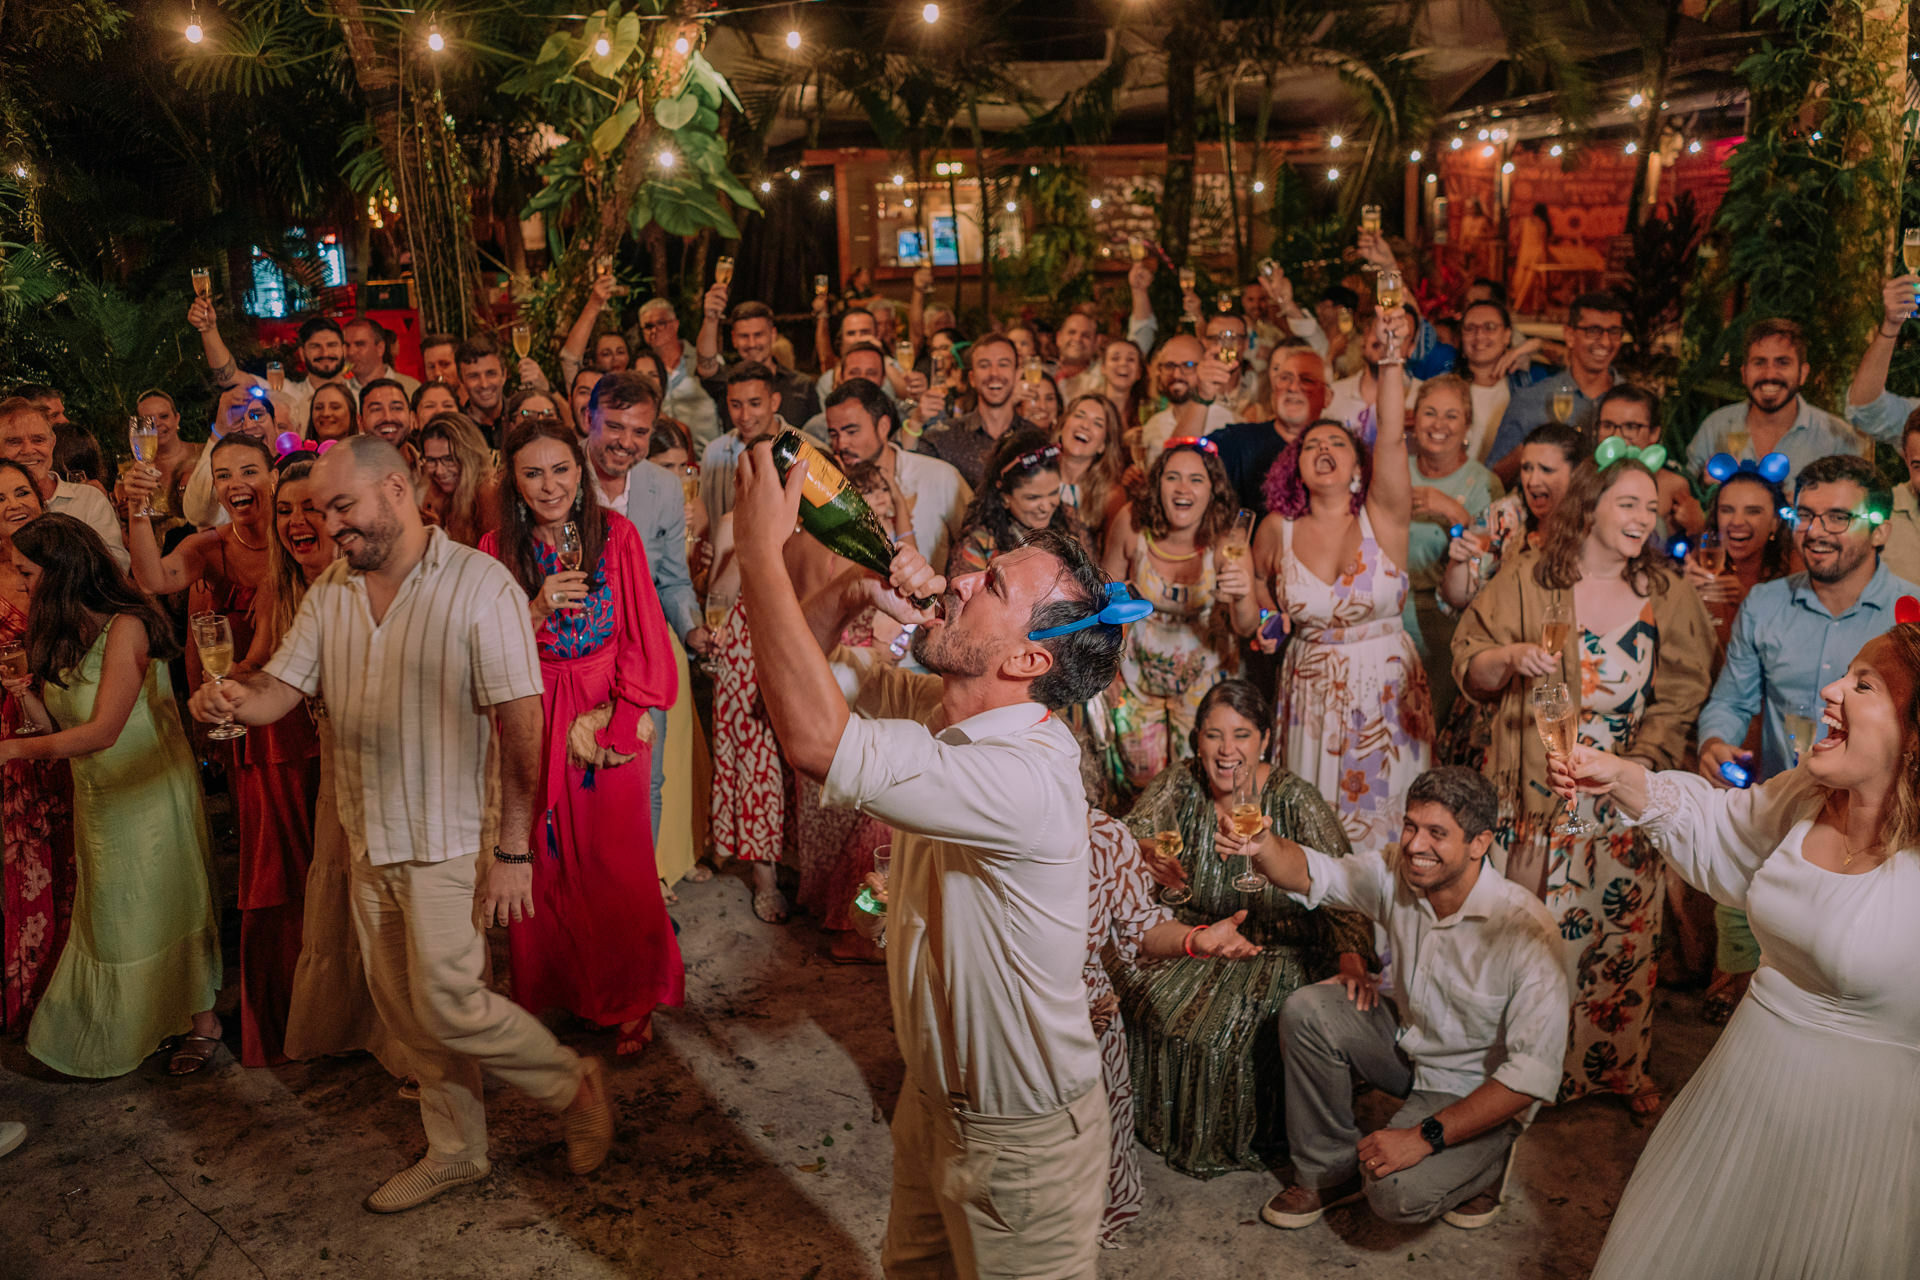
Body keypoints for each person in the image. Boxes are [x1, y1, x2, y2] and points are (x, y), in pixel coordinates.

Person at [733, 421, 1135, 1275]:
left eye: (986, 585)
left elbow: (815, 739)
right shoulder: (940, 706)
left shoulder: (1025, 775)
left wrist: (758, 551)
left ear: (1029, 656)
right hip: (932, 1105)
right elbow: (793, 687)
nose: (956, 578)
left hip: (1023, 1140)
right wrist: (846, 594)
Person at [187, 436, 613, 1213]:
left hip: (449, 838)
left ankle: (570, 1085)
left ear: (394, 491)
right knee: (408, 1011)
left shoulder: (480, 587)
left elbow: (523, 725)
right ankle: (457, 1151)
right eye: (320, 511)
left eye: (340, 507)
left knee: (450, 999)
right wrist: (228, 702)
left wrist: (512, 849)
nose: (328, 525)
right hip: (364, 835)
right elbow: (279, 690)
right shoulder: (331, 594)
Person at [1555, 622, 1920, 1279]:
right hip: (1736, 1107)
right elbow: (1717, 826)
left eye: (1863, 685)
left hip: (1859, 1148)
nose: (1830, 691)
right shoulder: (1807, 798)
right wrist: (1615, 775)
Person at [1452, 449, 1714, 1114]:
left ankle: (1617, 1070)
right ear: (1591, 506)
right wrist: (1508, 658)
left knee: (1620, 943)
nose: (1642, 518)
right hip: (1541, 795)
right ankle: (1519, 1080)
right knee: (1534, 945)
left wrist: (1643, 764)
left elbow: (1683, 690)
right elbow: (1469, 665)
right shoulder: (1526, 580)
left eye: (1651, 508)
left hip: (1622, 800)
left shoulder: (1667, 591)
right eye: (1628, 503)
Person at [1223, 767, 1569, 1231]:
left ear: (1479, 843)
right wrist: (1262, 846)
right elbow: (1311, 873)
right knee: (1308, 1011)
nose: (1414, 844)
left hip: (1474, 1090)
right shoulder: (1396, 871)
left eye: (1436, 833)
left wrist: (1423, 1137)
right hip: (1409, 1050)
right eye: (1411, 826)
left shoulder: (1527, 930)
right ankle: (1329, 1172)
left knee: (1391, 1194)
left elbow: (1529, 1077)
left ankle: (1488, 1160)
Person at [1691, 456, 1916, 1028]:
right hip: (1775, 818)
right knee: (1748, 1004)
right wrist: (1714, 740)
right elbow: (1730, 699)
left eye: (1839, 517)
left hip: (1875, 840)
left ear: (1881, 528)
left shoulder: (1909, 616)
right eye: (1806, 515)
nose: (1816, 531)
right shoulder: (1765, 604)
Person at [1114, 679, 1371, 1179]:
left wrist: (1351, 959)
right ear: (1198, 742)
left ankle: (1245, 1135)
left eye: (1242, 735)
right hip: (1196, 933)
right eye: (1213, 735)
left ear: (1266, 740)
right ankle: (1149, 1123)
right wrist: (1146, 859)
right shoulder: (1178, 782)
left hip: (1278, 948)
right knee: (1130, 986)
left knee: (1215, 1033)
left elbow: (1345, 888)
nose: (1227, 750)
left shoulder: (1295, 799)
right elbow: (1132, 837)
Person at [484, 419, 685, 1057]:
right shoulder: (495, 548)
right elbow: (482, 648)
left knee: (616, 863)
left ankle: (630, 997)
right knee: (545, 863)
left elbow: (644, 633)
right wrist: (536, 608)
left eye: (562, 469)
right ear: (513, 483)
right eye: (533, 473)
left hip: (606, 703)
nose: (551, 486)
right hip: (532, 708)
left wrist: (622, 721)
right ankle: (563, 989)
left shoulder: (616, 535)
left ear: (582, 470)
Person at [7, 515, 221, 1079]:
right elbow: (58, 721)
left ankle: (204, 1024)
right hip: (99, 795)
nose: (20, 583)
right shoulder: (61, 626)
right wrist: (22, 696)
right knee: (115, 915)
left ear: (60, 572)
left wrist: (10, 751)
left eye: (28, 572)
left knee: (164, 904)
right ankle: (147, 1023)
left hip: (147, 791)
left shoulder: (127, 626)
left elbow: (103, 731)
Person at [127, 435, 294, 1066]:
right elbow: (153, 576)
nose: (236, 483)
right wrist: (138, 513)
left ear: (273, 476)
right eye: (223, 475)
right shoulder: (209, 547)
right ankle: (277, 1012)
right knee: (266, 857)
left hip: (303, 713)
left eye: (249, 470)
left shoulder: (300, 536)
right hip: (244, 723)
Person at [1255, 313, 1431, 848]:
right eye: (1311, 446)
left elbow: (1394, 439)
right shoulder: (1276, 530)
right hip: (1309, 698)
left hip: (1386, 692)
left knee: (1393, 835)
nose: (1323, 449)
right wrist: (1267, 621)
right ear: (1296, 467)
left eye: (1337, 443)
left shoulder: (1383, 519)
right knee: (1312, 832)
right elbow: (1262, 593)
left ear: (1359, 463)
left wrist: (1392, 360)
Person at [251, 450, 400, 1073]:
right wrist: (225, 692)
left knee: (396, 913)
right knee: (345, 899)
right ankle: (363, 1029)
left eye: (310, 508)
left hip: (390, 767)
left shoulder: (371, 578)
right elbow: (266, 674)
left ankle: (417, 1051)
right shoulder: (285, 587)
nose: (296, 522)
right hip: (335, 761)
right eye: (283, 511)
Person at [1103, 438, 1257, 787]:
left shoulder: (1227, 540)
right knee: (1141, 784)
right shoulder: (1131, 523)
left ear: (1212, 490)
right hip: (1137, 679)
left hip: (1205, 685)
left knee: (1199, 785)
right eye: (1172, 477)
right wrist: (1107, 669)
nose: (1183, 488)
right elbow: (1108, 599)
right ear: (1157, 484)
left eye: (1196, 479)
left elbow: (1246, 627)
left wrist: (1243, 595)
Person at [0, 461, 71, 1034]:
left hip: (67, 721)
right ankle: (28, 1004)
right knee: (23, 863)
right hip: (8, 741)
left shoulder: (67, 567)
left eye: (20, 490)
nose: (11, 503)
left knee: (72, 856)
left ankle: (74, 997)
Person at [1403, 374, 1502, 720]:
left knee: (1427, 731)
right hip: (1386, 618)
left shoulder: (1484, 484)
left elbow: (1493, 562)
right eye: (1430, 413)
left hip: (1444, 626)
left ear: (1468, 426)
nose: (1439, 424)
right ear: (1414, 420)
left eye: (1451, 415)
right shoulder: (1395, 471)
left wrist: (1451, 510)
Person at [1687, 318, 1876, 484]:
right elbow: (1686, 492)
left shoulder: (1838, 439)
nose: (1769, 374)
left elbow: (1858, 508)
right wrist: (1706, 491)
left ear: (1803, 373)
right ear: (1744, 373)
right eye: (1759, 363)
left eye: (1782, 363)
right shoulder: (1715, 427)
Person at [824, 377, 970, 573]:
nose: (841, 444)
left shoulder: (939, 476)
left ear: (883, 426)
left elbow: (977, 545)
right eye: (834, 434)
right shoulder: (829, 489)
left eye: (851, 431)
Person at [1486, 291, 1629, 487]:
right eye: (1593, 331)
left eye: (1613, 332)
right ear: (1569, 335)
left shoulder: (1634, 403)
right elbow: (1493, 481)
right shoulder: (1530, 400)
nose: (1605, 342)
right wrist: (1532, 449)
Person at [1439, 421, 1584, 614]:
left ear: (1576, 474)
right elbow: (1457, 599)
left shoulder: (1593, 524)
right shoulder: (1502, 515)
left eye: (1546, 470)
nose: (1532, 481)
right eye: (1526, 468)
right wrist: (1458, 563)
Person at [0, 399, 128, 571]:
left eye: (38, 440)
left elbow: (116, 570)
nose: (28, 450)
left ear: (52, 443)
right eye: (14, 442)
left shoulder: (88, 500)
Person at [1205, 345, 1332, 515]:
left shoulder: (1338, 453)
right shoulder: (1238, 441)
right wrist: (1201, 398)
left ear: (1327, 397)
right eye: (1285, 378)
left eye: (1306, 380)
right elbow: (1182, 462)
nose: (1293, 388)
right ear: (1274, 391)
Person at [191, 302, 350, 433]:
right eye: (315, 346)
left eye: (332, 345)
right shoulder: (284, 392)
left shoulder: (361, 393)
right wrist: (208, 330)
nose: (325, 352)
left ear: (344, 350)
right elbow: (228, 377)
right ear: (302, 353)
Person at [947, 429, 1083, 576]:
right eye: (1033, 498)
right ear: (1005, 496)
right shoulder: (978, 543)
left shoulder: (1068, 519)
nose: (1046, 507)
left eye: (1053, 493)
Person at [913, 334, 1036, 490]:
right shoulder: (941, 439)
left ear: (1017, 374)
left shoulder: (1034, 440)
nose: (994, 373)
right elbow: (910, 481)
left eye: (1003, 364)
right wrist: (915, 421)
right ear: (972, 378)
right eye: (984, 365)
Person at [696, 295, 820, 435]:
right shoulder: (726, 381)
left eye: (758, 335)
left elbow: (815, 436)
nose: (752, 344)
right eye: (744, 336)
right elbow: (706, 365)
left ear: (773, 335)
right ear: (733, 339)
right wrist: (710, 319)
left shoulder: (802, 386)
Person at [1594, 384, 1704, 540]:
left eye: (1631, 427)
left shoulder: (1674, 485)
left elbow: (1691, 552)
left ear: (1654, 433)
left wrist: (1697, 528)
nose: (1617, 436)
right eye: (1608, 426)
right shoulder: (1584, 480)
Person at [698, 361, 796, 532]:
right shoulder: (713, 453)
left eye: (755, 404)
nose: (745, 416)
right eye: (736, 405)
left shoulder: (806, 450)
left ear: (774, 401)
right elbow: (704, 516)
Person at [1455, 299, 1548, 464]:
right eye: (1470, 328)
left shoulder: (1528, 381)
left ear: (1507, 335)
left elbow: (1576, 363)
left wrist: (1535, 345)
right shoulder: (1446, 386)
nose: (1479, 336)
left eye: (1489, 327)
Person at [178, 386, 282, 532]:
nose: (249, 426)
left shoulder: (296, 466)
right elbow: (196, 514)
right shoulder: (232, 487)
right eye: (239, 420)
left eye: (256, 415)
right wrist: (219, 432)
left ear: (275, 424)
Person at [636, 297, 720, 449]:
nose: (655, 330)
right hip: (662, 457)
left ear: (675, 324)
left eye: (661, 323)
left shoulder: (703, 361)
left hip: (707, 458)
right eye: (648, 326)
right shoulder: (643, 370)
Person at [1141, 334, 1234, 463]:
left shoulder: (1227, 423)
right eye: (1169, 365)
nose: (1177, 374)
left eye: (1188, 365)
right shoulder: (1153, 426)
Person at [1055, 393, 1129, 551]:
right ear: (1063, 426)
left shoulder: (1111, 495)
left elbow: (1111, 561)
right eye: (1079, 416)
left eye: (1098, 423)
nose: (1085, 426)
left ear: (1103, 445)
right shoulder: (1034, 476)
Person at [416, 412, 499, 549]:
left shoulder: (488, 494)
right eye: (431, 460)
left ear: (470, 457)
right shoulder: (433, 490)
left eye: (449, 459)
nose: (440, 471)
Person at [342, 316, 419, 398]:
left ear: (380, 348)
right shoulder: (340, 392)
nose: (351, 352)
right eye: (346, 345)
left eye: (360, 344)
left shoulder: (411, 388)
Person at [456, 337, 508, 439]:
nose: (484, 384)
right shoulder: (457, 430)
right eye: (474, 376)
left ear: (504, 375)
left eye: (491, 374)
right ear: (461, 381)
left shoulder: (521, 418)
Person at [1098, 337, 1147, 430]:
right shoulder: (1089, 407)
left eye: (1130, 359)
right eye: (1115, 358)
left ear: (1139, 372)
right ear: (1103, 368)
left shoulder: (1148, 412)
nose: (1123, 363)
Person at [358, 378, 416, 451]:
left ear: (412, 417)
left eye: (397, 408)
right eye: (376, 409)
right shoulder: (345, 462)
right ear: (360, 421)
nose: (388, 418)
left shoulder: (428, 460)